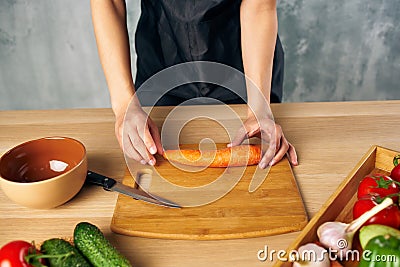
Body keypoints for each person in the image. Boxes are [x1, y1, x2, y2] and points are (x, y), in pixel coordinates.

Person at [90, 0, 298, 169]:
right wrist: (125, 105)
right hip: (162, 56)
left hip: (244, 66)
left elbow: (258, 5)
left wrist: (258, 109)